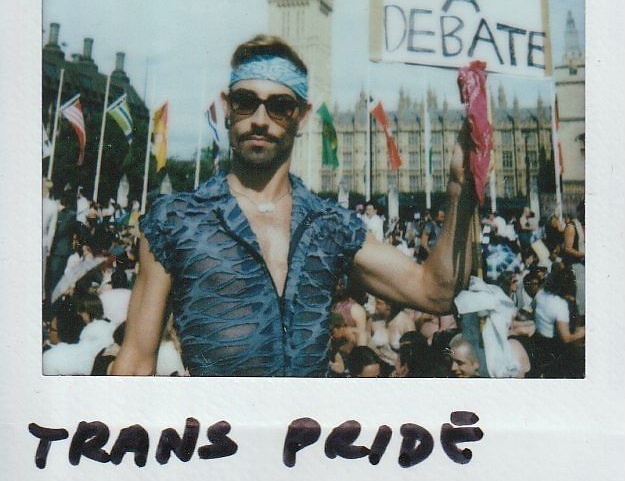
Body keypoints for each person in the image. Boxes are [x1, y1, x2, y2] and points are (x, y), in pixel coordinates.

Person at [112, 35, 476, 377]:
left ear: (302, 116)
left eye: (280, 107)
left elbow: (435, 292)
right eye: (245, 102)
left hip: (306, 439)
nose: (259, 119)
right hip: (218, 438)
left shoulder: (330, 225)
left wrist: (462, 187)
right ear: (227, 107)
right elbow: (135, 362)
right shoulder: (175, 221)